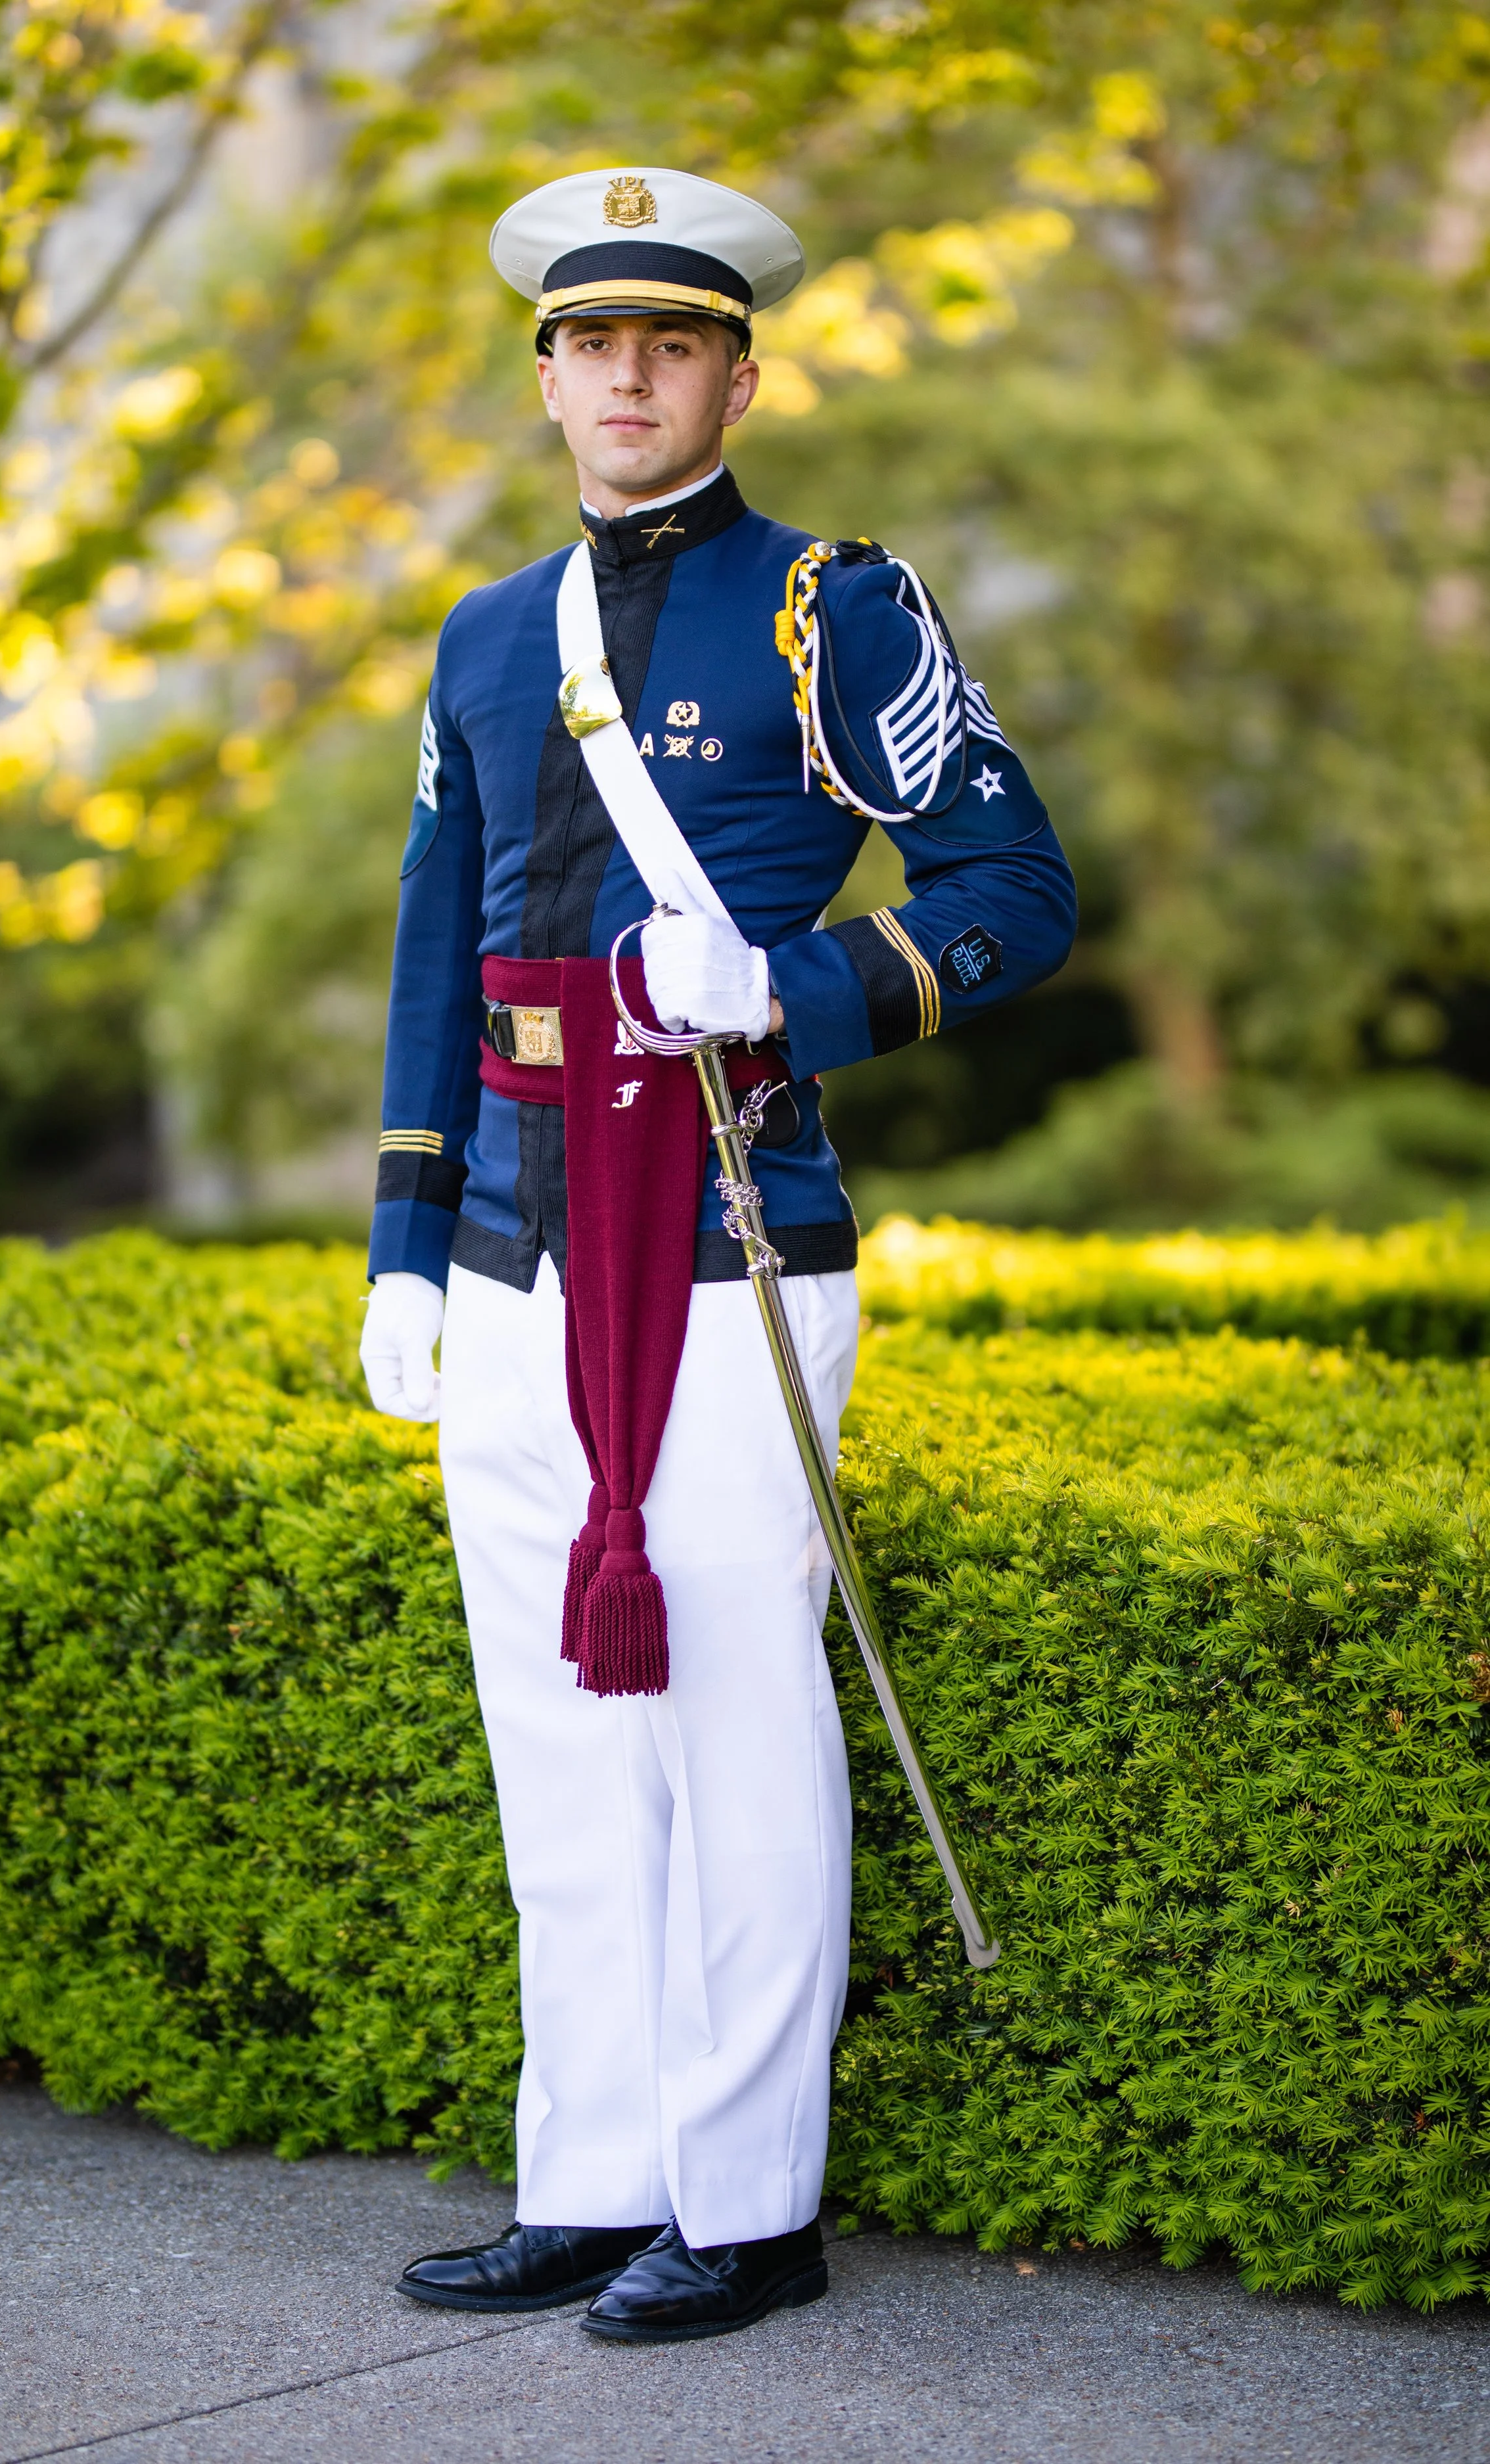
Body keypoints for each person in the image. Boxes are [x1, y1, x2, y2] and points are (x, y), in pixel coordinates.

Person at [360, 165, 1075, 2346]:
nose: (627, 379)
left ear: (736, 372)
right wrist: (402, 1238)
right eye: (590, 345)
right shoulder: (488, 636)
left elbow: (1013, 886)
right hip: (511, 1245)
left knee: (737, 1719)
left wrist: (790, 980)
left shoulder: (829, 610)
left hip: (738, 1234)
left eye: (671, 344)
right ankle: (586, 2171)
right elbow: (427, 959)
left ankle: (749, 2201)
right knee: (555, 1736)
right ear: (548, 376)